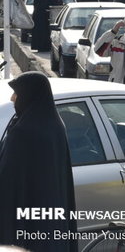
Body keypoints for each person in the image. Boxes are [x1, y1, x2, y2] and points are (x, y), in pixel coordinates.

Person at [0, 72, 77, 252]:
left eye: (17, 93)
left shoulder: (22, 132)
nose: (12, 98)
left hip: (24, 223)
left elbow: (6, 180)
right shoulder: (56, 126)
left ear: (29, 95)